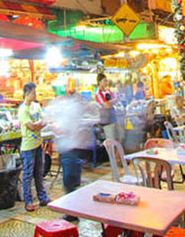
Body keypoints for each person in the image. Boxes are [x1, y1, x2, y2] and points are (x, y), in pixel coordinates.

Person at [47, 91, 94, 221]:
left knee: (69, 181)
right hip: (73, 148)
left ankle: (72, 212)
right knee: (71, 181)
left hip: (70, 148)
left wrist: (55, 127)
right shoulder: (73, 108)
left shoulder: (69, 109)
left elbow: (64, 127)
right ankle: (73, 210)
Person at [18, 82, 48, 212]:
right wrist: (39, 125)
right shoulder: (23, 109)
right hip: (28, 146)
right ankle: (28, 201)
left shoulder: (36, 106)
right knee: (28, 174)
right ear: (27, 94)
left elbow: (44, 120)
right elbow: (31, 126)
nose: (35, 95)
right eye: (33, 93)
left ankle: (43, 197)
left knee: (39, 173)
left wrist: (38, 125)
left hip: (38, 144)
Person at [94, 73, 118, 141]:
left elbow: (113, 100)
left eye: (106, 80)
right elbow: (107, 105)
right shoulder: (98, 93)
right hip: (106, 121)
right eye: (105, 81)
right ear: (100, 82)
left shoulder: (107, 91)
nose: (106, 82)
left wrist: (111, 102)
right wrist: (112, 102)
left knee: (117, 139)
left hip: (112, 118)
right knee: (111, 141)